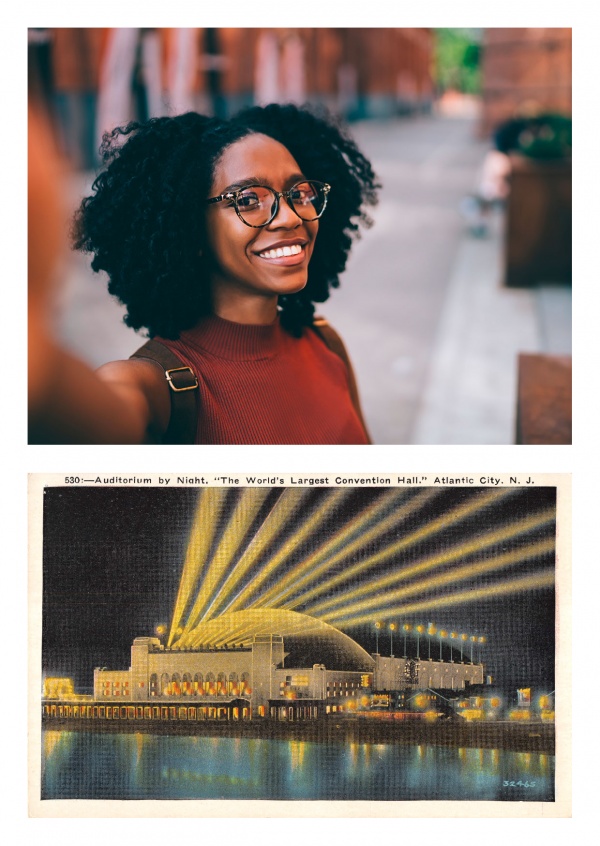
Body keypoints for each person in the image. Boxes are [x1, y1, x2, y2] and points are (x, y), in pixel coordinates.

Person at [66, 103, 378, 444]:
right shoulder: (155, 389)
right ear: (191, 227)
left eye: (300, 193)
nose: (290, 217)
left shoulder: (326, 345)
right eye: (247, 200)